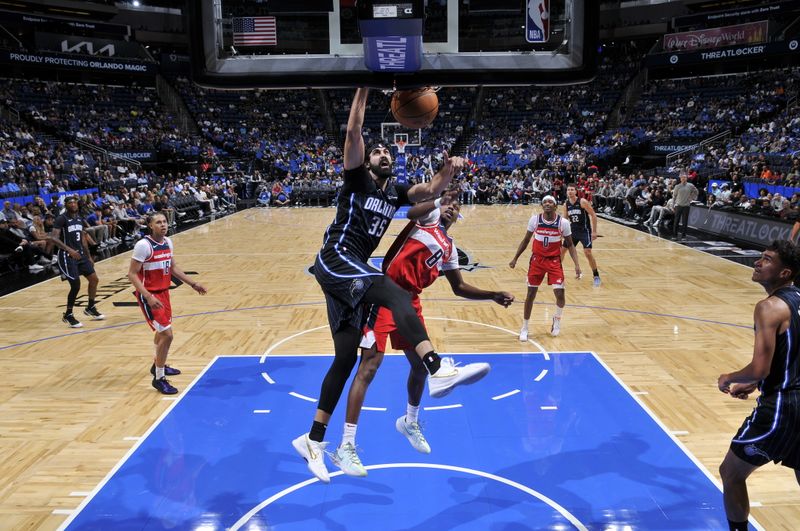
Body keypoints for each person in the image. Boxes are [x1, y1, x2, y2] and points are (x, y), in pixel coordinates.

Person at [292, 88, 491, 484]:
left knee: (347, 357)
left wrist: (447, 171)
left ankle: (313, 440)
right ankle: (436, 368)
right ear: (367, 161)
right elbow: (353, 131)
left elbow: (429, 194)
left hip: (347, 272)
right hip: (336, 257)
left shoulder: (395, 194)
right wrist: (365, 86)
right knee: (395, 292)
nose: (385, 154)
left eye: (388, 152)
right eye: (379, 150)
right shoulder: (356, 181)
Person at [331, 199, 515, 477]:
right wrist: (437, 195)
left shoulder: (449, 247)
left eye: (456, 206)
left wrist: (492, 294)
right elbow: (417, 209)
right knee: (369, 367)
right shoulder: (425, 220)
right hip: (384, 295)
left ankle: (410, 421)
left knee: (419, 366)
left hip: (409, 302)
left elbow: (459, 287)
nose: (452, 207)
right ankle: (346, 445)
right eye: (448, 203)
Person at [717, 240, 800, 531]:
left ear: (785, 273)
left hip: (783, 407)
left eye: (767, 259)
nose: (757, 262)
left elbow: (761, 366)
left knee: (731, 472)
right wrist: (755, 382)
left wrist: (732, 377)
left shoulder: (769, 307)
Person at [127, 212, 207, 395]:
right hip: (150, 296)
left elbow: (172, 267)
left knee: (161, 333)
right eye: (158, 222)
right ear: (150, 226)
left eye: (164, 221)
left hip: (164, 293)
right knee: (167, 335)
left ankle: (158, 365)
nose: (163, 225)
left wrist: (193, 283)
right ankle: (159, 378)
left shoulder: (168, 242)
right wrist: (147, 296)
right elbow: (132, 274)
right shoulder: (143, 245)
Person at [509, 195, 582, 340]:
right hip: (537, 260)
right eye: (545, 202)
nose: (547, 204)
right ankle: (525, 327)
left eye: (550, 202)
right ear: (542, 206)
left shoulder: (563, 223)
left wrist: (577, 265)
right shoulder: (535, 220)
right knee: (530, 294)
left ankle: (557, 319)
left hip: (554, 261)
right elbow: (525, 240)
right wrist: (515, 258)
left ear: (555, 206)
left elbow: (571, 245)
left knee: (560, 295)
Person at [49, 196, 104, 328]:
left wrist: (89, 255)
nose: (73, 204)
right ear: (66, 205)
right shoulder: (61, 219)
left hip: (81, 255)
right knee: (75, 285)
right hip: (67, 256)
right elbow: (54, 238)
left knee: (94, 279)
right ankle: (68, 314)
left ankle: (90, 307)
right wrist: (70, 250)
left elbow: (83, 238)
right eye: (70, 203)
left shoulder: (79, 219)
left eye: (74, 202)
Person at [562, 183, 602, 287]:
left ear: (576, 191)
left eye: (572, 189)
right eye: (568, 190)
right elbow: (565, 220)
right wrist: (561, 232)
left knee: (587, 252)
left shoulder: (582, 201)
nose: (570, 191)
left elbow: (593, 215)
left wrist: (594, 231)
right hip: (572, 231)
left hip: (584, 231)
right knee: (561, 251)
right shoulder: (566, 204)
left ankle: (596, 275)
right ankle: (556, 274)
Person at [671, 173, 698, 241]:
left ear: (687, 178)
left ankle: (683, 236)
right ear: (680, 179)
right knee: (676, 221)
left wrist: (692, 198)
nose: (683, 179)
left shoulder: (690, 185)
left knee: (685, 222)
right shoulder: (677, 186)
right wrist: (672, 205)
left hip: (686, 206)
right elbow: (674, 197)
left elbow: (696, 191)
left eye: (685, 177)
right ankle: (674, 235)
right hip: (678, 205)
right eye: (682, 177)